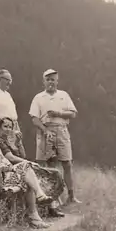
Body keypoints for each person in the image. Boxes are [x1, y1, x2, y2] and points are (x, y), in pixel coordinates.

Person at [0, 112, 52, 229]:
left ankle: (35, 210)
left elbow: (2, 158)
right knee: (26, 174)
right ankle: (36, 212)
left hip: (5, 173)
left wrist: (10, 167)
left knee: (25, 168)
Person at [0, 117, 66, 218]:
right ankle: (50, 207)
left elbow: (22, 156)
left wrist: (19, 142)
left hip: (23, 167)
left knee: (55, 173)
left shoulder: (10, 141)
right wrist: (29, 163)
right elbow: (10, 157)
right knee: (46, 175)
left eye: (10, 127)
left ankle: (51, 205)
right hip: (12, 170)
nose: (8, 129)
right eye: (5, 126)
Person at [29, 69, 82, 204]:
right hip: (45, 130)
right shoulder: (38, 97)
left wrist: (58, 113)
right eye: (48, 80)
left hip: (62, 130)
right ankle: (52, 196)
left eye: (53, 79)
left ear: (57, 81)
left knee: (67, 163)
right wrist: (45, 130)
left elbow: (73, 114)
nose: (50, 82)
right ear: (44, 82)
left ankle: (71, 196)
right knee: (47, 164)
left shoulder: (64, 95)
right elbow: (34, 118)